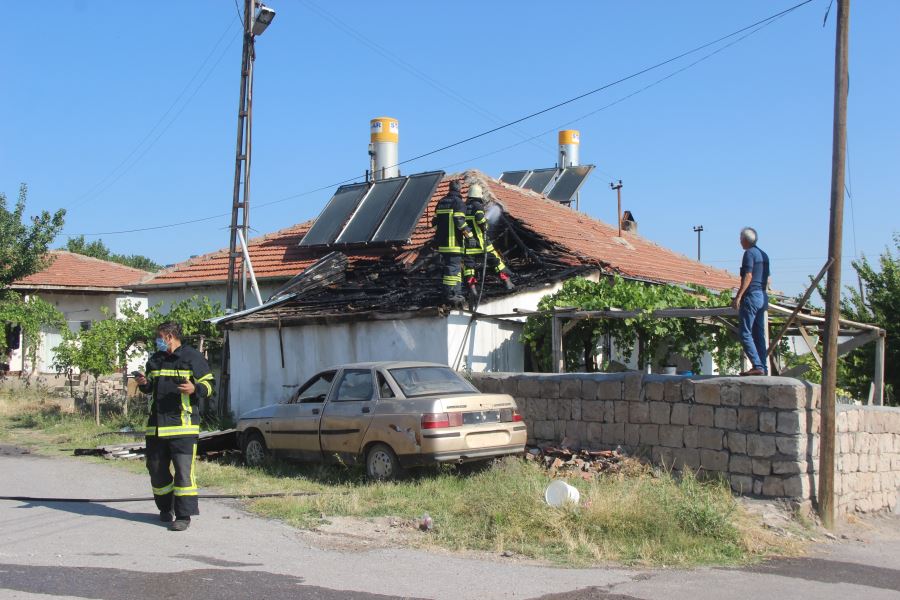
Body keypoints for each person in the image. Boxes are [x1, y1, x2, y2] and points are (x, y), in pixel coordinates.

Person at [135, 321, 214, 531]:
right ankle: (165, 507)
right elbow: (151, 388)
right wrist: (144, 384)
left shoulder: (192, 357)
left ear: (169, 336)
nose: (157, 341)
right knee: (156, 469)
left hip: (183, 427)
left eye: (159, 337)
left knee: (183, 473)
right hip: (156, 428)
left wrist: (194, 388)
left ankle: (183, 515)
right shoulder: (155, 360)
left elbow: (209, 386)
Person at [462, 183, 514, 299]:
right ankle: (507, 282)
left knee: (469, 267)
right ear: (479, 195)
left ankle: (472, 289)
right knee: (496, 261)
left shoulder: (464, 208)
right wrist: (485, 225)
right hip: (482, 243)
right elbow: (481, 221)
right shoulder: (477, 206)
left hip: (469, 245)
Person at [732, 227, 771, 376]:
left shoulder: (749, 254)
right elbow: (768, 279)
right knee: (758, 334)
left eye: (740, 238)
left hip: (752, 296)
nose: (739, 241)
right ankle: (763, 367)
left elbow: (748, 276)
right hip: (762, 296)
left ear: (745, 239)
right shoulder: (764, 255)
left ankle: (757, 365)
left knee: (745, 333)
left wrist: (739, 296)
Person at [431, 180, 473, 305]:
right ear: (459, 189)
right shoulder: (458, 203)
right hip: (454, 243)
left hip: (442, 243)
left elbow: (434, 222)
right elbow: (460, 221)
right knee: (452, 269)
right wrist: (469, 236)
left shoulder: (441, 202)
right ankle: (450, 295)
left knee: (454, 270)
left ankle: (456, 292)